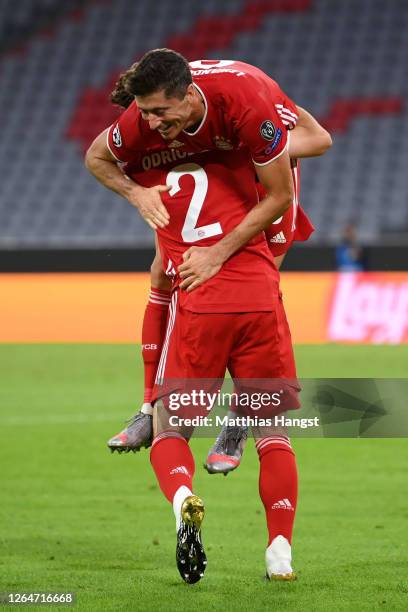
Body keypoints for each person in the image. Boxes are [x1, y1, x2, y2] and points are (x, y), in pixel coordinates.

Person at [85, 49, 332, 584]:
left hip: (225, 262)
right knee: (276, 425)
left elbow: (310, 151)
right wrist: (136, 193)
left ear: (190, 94)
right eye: (145, 115)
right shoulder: (148, 122)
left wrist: (217, 247)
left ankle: (158, 414)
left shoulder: (249, 103)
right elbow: (99, 155)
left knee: (163, 290)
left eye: (161, 115)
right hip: (256, 282)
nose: (153, 126)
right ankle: (280, 551)